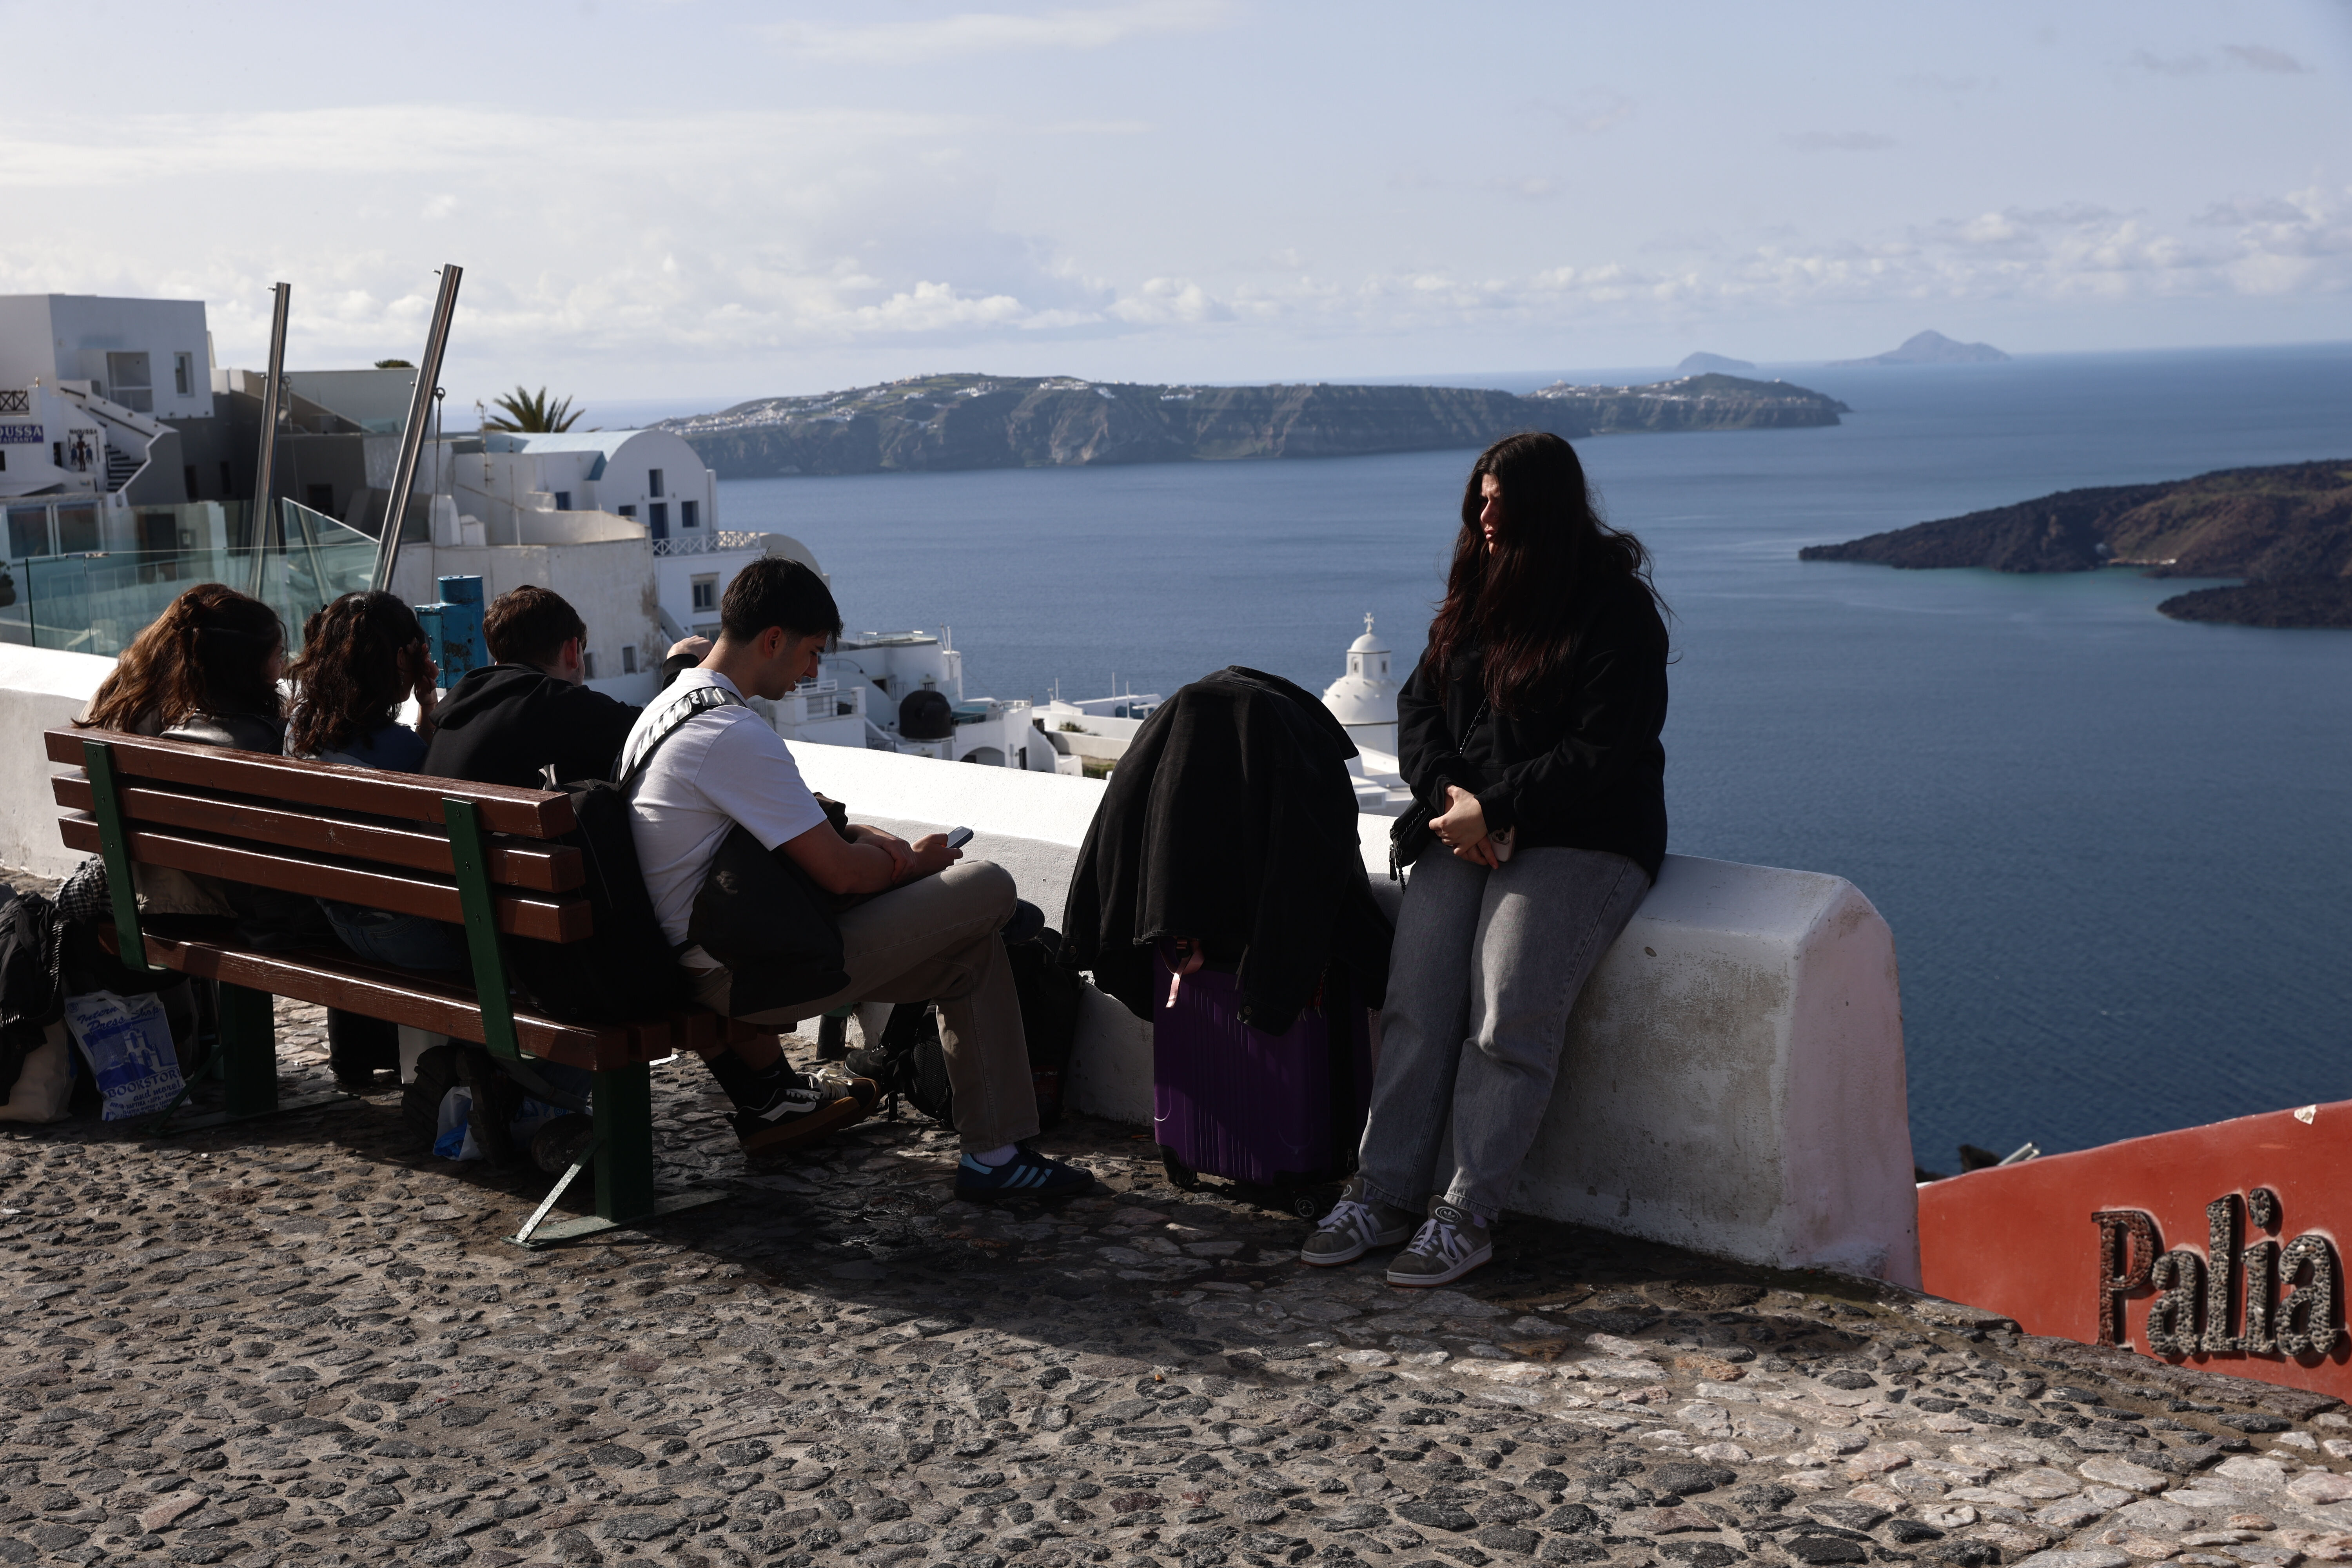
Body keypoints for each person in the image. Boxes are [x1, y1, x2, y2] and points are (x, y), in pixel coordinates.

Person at [1300, 431, 1669, 1287]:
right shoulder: (1481, 591)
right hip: (1467, 823)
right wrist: (1451, 801)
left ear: (1545, 504)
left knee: (1507, 1013)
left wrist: (1495, 809)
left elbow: (1604, 749)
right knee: (1418, 1000)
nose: (1483, 513)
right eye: (1481, 495)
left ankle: (1467, 1213)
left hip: (1582, 834)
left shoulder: (1615, 609)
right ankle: (1384, 1189)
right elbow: (1421, 708)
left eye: (1501, 498)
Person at [619, 556, 1092, 1194]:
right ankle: (994, 1151)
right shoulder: (730, 733)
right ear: (774, 640)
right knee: (990, 886)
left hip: (702, 957)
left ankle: (996, 1156)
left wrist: (874, 847)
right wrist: (916, 863)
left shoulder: (672, 708)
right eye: (812, 653)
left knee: (973, 956)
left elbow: (801, 827)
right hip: (742, 976)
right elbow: (842, 875)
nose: (814, 671)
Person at [284, 590, 472, 978]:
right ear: (402, 658)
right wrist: (431, 707)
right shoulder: (399, 750)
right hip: (413, 934)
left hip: (341, 923)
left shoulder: (300, 727)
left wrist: (426, 706)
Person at [421, 584, 705, 790]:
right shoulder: (555, 702)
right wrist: (679, 666)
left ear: (499, 661)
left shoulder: (456, 711)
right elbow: (661, 730)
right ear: (572, 653)